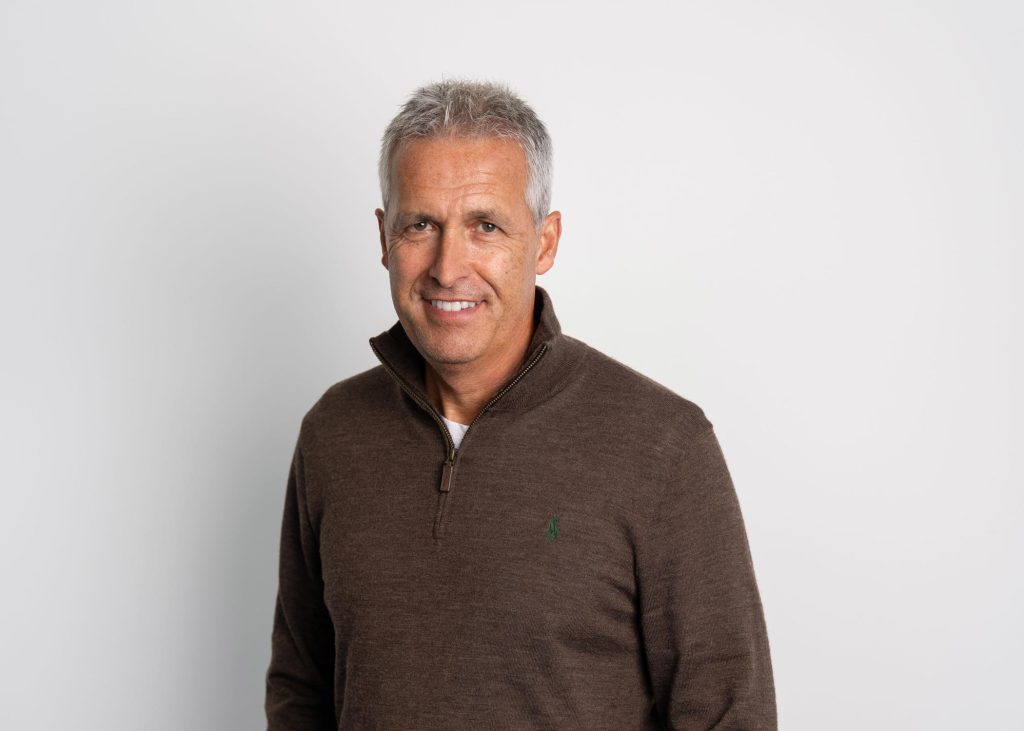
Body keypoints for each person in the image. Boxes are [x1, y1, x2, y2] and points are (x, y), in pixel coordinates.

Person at [265, 79, 777, 730]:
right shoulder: (333, 434)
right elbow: (301, 686)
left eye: (486, 225)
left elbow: (728, 714)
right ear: (384, 236)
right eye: (421, 224)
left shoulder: (664, 446)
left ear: (544, 241)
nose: (449, 267)